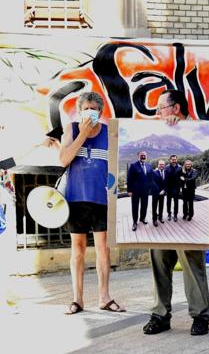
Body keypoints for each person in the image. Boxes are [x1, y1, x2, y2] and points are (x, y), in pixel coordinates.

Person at [143, 89, 209, 336]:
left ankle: (201, 315)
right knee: (159, 261)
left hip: (186, 211)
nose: (158, 113)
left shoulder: (200, 129)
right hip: (160, 212)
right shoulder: (156, 136)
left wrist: (181, 128)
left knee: (192, 262)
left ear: (176, 108)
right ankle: (160, 314)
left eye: (161, 108)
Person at [59, 91, 125, 315]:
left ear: (101, 112)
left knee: (103, 251)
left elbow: (120, 163)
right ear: (79, 111)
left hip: (102, 199)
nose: (90, 112)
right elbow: (64, 160)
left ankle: (104, 297)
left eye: (94, 109)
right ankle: (77, 299)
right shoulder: (72, 129)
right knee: (77, 250)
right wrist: (83, 134)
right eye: (86, 108)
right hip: (76, 198)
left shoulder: (109, 133)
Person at [127, 151, 152, 231]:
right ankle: (135, 222)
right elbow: (129, 179)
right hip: (135, 191)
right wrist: (129, 190)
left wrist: (150, 188)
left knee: (144, 206)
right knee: (135, 207)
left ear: (146, 156)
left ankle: (142, 218)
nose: (143, 157)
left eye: (144, 155)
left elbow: (150, 178)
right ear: (138, 156)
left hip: (145, 191)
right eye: (141, 155)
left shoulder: (149, 166)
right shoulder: (133, 166)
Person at [165, 154, 182, 222]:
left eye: (175, 159)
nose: (174, 161)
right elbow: (165, 178)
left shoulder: (180, 167)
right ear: (170, 160)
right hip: (169, 188)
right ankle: (169, 214)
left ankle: (175, 215)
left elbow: (182, 177)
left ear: (176, 159)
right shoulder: (166, 167)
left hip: (176, 187)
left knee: (176, 202)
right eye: (172, 159)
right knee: (168, 202)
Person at [151, 160, 167, 227]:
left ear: (164, 165)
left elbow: (167, 183)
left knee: (161, 205)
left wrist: (164, 190)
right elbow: (153, 183)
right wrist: (158, 191)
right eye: (160, 164)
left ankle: (160, 217)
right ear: (158, 165)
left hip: (162, 193)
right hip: (155, 192)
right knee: (154, 206)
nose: (161, 165)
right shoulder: (154, 172)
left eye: (162, 164)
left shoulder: (166, 173)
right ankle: (154, 219)